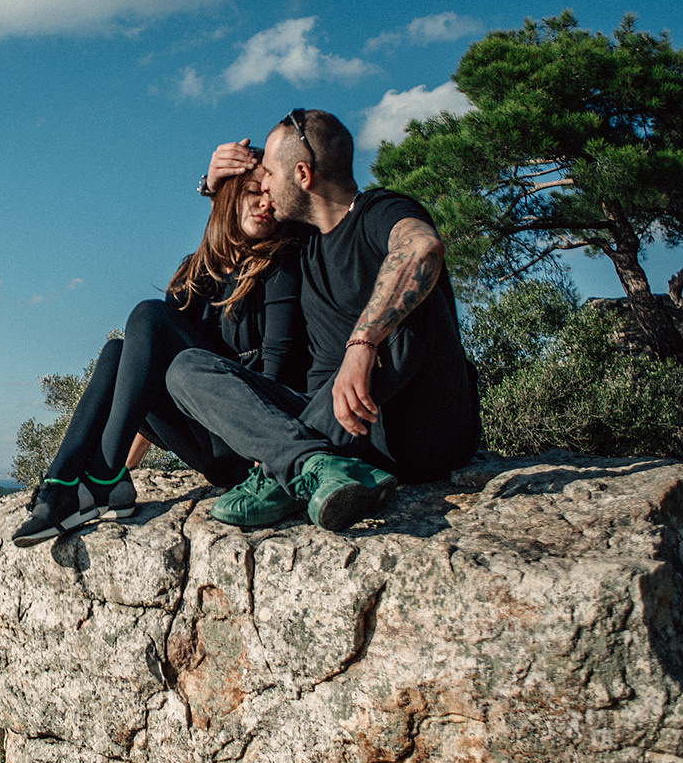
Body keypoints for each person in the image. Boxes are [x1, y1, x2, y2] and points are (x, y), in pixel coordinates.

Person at [167, 108, 480, 534]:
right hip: (328, 429)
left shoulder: (377, 211)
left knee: (416, 306)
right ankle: (311, 466)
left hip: (412, 432)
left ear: (302, 174)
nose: (266, 189)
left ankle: (285, 478)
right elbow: (234, 234)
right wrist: (213, 185)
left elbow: (422, 247)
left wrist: (362, 345)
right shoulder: (303, 243)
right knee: (185, 368)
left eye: (271, 176)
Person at [12, 172, 309, 547]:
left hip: (247, 442)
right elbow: (146, 374)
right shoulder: (196, 273)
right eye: (253, 192)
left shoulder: (278, 264)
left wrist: (270, 449)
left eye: (272, 197)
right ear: (228, 200)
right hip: (206, 443)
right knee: (117, 352)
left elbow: (278, 365)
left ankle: (96, 482)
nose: (265, 203)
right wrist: (128, 463)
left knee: (149, 315)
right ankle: (68, 482)